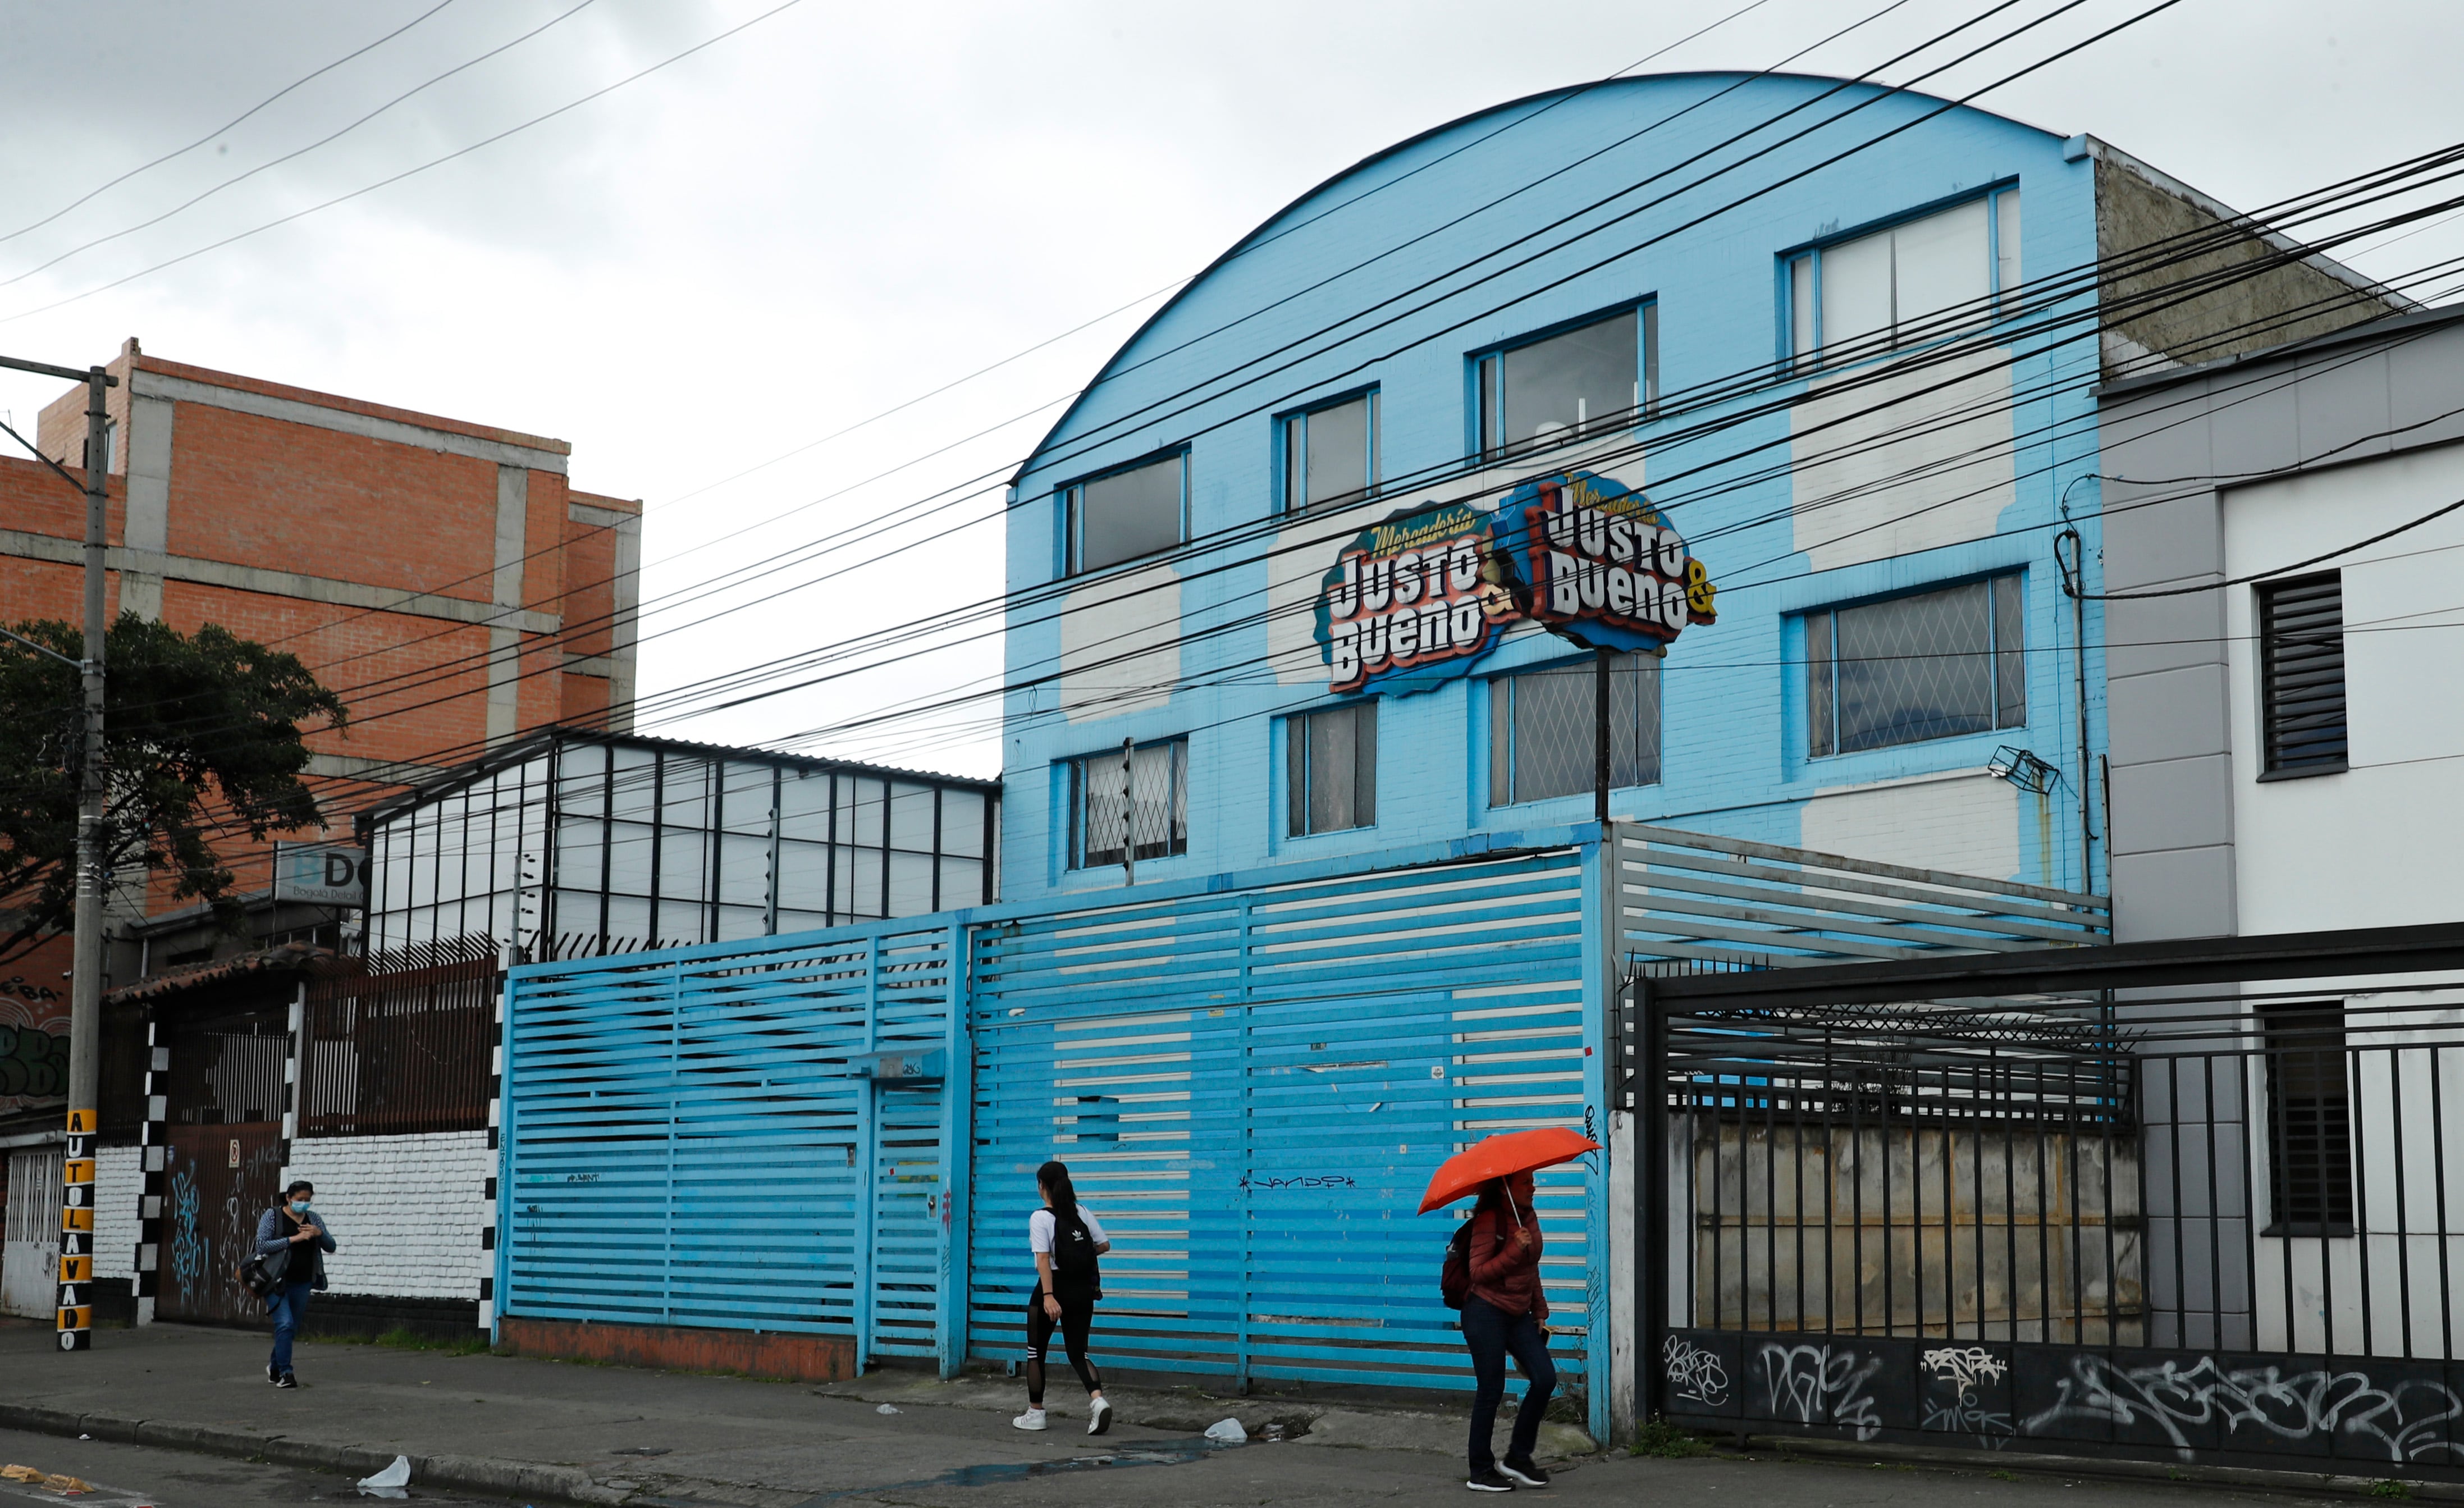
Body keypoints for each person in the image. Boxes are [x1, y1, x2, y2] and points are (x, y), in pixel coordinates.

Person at [1460, 1169, 1555, 1492]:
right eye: (1525, 1182)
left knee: (1545, 1378)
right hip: (1484, 1311)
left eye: (1532, 1181)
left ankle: (1518, 1457)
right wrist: (1513, 1250)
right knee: (1491, 1389)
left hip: (1517, 1313)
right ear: (1505, 1188)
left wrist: (1540, 1310)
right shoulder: (1490, 1220)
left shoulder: (1528, 1217)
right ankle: (1481, 1471)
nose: (1532, 1187)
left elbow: (1531, 1268)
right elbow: (1478, 1272)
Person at [1012, 1160, 1112, 1435]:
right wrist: (1078, 1257)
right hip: (1083, 1291)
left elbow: (1043, 1260)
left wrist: (1048, 1296)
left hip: (1053, 1289)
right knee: (1079, 1353)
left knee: (1036, 1352)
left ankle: (1036, 1413)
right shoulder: (1081, 1211)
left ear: (1042, 1186)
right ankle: (1098, 1401)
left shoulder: (1041, 1217)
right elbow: (1103, 1245)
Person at [254, 1179, 336, 1388]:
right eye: (300, 1200)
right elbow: (262, 1245)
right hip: (276, 1280)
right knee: (285, 1323)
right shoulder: (273, 1216)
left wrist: (320, 1234)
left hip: (302, 1282)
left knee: (292, 1328)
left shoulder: (313, 1219)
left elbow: (331, 1246)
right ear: (289, 1198)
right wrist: (294, 1239)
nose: (304, 1204)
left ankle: (274, 1366)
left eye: (308, 1200)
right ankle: (286, 1373)